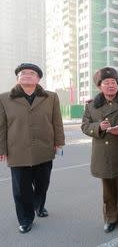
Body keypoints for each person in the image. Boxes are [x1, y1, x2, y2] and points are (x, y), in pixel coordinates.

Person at [0, 63, 65, 234]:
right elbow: (1, 126)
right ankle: (25, 219)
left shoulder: (51, 97)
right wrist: (1, 149)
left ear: (38, 78)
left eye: (32, 73)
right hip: (17, 150)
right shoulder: (4, 98)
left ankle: (39, 205)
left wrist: (59, 142)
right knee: (21, 190)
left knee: (43, 184)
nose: (27, 75)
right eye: (23, 73)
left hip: (44, 148)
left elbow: (56, 121)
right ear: (17, 78)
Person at [81, 67, 118, 233]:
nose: (111, 85)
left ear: (117, 85)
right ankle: (110, 219)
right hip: (103, 154)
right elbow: (84, 126)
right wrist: (98, 127)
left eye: (113, 82)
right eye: (106, 83)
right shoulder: (91, 106)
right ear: (99, 86)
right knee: (108, 190)